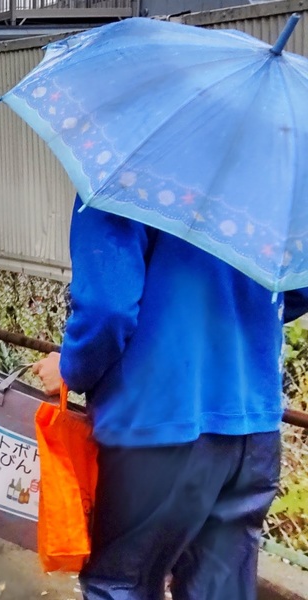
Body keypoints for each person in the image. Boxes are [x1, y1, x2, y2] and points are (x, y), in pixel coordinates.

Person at [31, 196, 308, 600]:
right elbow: (297, 285)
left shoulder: (127, 168)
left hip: (157, 421)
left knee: (122, 584)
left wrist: (71, 366)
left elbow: (108, 308)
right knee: (220, 589)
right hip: (253, 426)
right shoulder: (270, 175)